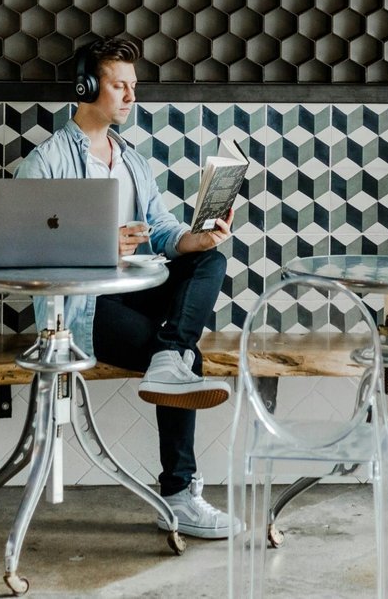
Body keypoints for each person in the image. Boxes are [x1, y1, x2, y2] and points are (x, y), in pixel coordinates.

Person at [15, 34, 240, 539]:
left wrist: (194, 237)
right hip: (81, 309)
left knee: (209, 262)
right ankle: (181, 496)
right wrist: (100, 244)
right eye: (120, 86)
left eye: (133, 86)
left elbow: (160, 229)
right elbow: (23, 246)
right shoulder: (47, 161)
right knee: (191, 363)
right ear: (87, 85)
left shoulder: (133, 160)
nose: (132, 98)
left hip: (136, 288)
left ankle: (168, 356)